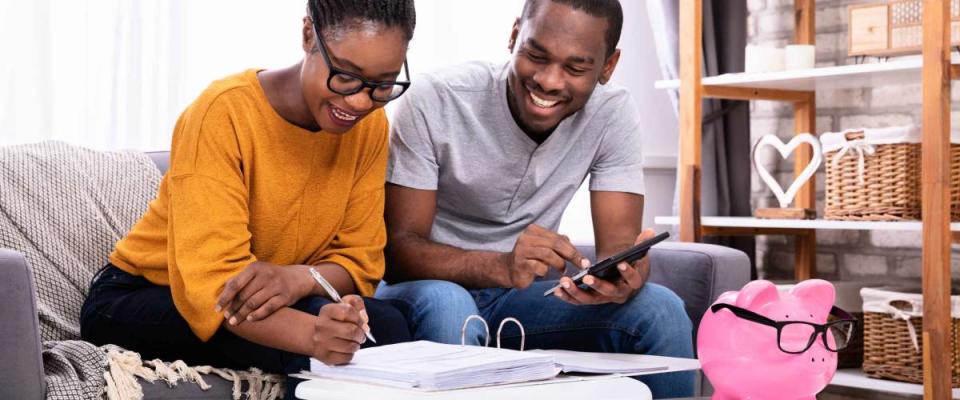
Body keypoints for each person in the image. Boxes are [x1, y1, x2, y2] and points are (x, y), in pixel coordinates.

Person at [80, 1, 416, 398]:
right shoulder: (223, 112)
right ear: (309, 35)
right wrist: (314, 335)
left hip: (271, 296)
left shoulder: (370, 127)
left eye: (382, 85)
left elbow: (361, 262)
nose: (360, 102)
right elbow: (213, 287)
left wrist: (296, 279)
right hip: (143, 298)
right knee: (341, 340)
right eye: (345, 76)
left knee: (388, 322)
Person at [375, 0, 694, 397]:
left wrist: (626, 279)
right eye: (535, 55)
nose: (548, 80)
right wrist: (502, 266)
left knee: (660, 308)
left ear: (608, 66)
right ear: (513, 36)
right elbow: (399, 252)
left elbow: (619, 251)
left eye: (575, 68)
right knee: (448, 304)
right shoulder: (437, 98)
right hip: (426, 291)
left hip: (519, 302)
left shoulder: (612, 114)